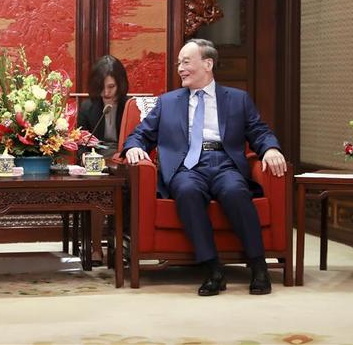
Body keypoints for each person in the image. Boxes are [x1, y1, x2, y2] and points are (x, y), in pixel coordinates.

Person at [123, 39, 287, 296]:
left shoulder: (237, 99)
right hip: (186, 166)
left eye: (186, 62)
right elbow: (139, 135)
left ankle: (258, 266)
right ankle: (212, 269)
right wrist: (134, 147)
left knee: (235, 192)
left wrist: (271, 149)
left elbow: (259, 131)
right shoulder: (167, 102)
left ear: (208, 64)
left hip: (224, 163)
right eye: (179, 63)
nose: (180, 68)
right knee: (186, 191)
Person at [78, 54, 129, 265]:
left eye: (111, 87)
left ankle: (121, 247)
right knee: (96, 194)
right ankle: (96, 248)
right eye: (102, 88)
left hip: (123, 161)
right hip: (97, 162)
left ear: (120, 84)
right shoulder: (88, 107)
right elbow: (80, 142)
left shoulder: (130, 106)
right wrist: (86, 158)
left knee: (126, 194)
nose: (106, 93)